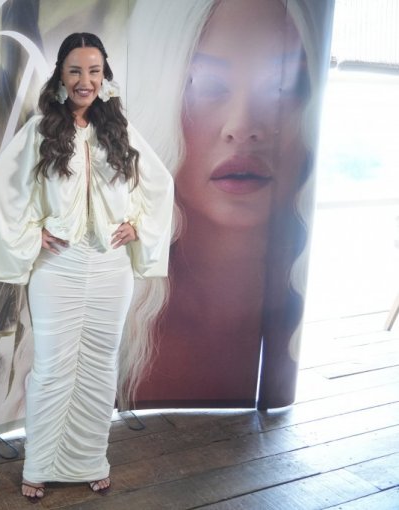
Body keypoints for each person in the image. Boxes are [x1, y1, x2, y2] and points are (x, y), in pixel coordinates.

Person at [0, 33, 173, 500]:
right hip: (58, 267)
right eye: (75, 71)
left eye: (94, 71)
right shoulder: (40, 130)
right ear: (61, 77)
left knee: (101, 364)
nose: (85, 81)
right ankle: (41, 463)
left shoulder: (119, 130)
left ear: (105, 76)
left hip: (109, 267)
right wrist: (32, 235)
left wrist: (138, 225)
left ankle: (90, 458)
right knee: (51, 367)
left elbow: (159, 183)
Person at [122, 0, 330, 408]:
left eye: (282, 87)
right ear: (158, 97)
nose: (243, 127)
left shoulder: (297, 320)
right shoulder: (113, 322)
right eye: (206, 85)